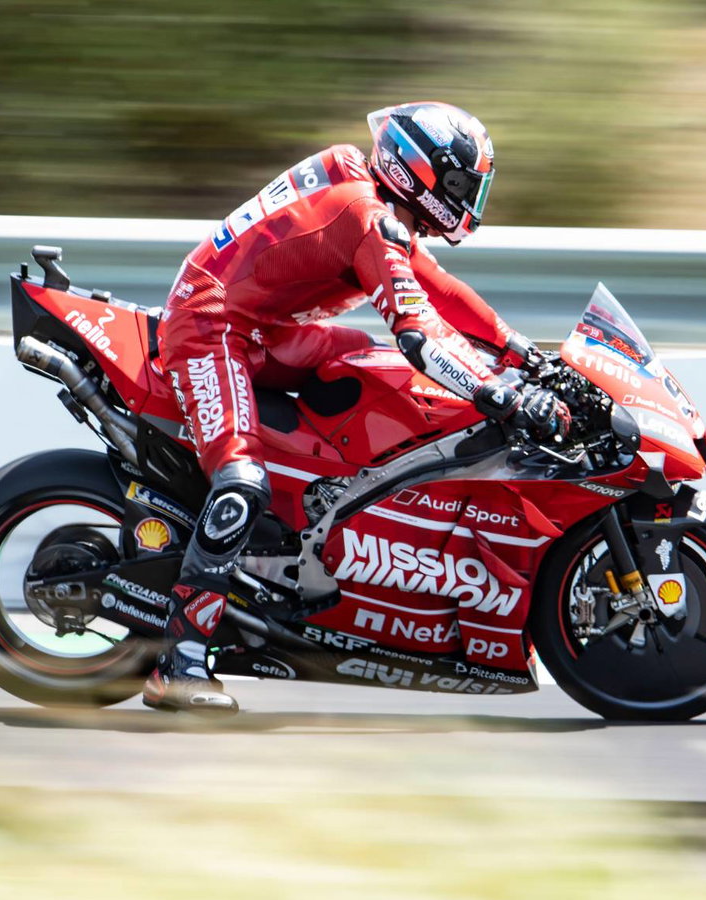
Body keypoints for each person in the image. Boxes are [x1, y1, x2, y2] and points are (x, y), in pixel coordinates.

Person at [144, 101, 571, 714]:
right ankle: (179, 660)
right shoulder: (367, 215)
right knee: (241, 479)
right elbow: (420, 333)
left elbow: (439, 289)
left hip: (266, 326)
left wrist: (524, 353)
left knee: (367, 365)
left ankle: (315, 507)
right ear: (418, 169)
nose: (468, 199)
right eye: (459, 185)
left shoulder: (369, 195)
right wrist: (497, 393)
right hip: (212, 325)